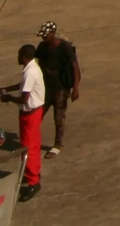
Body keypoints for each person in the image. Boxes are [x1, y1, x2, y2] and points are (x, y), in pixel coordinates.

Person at [0, 45, 45, 202]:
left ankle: (33, 182)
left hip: (29, 115)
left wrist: (7, 98)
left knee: (27, 148)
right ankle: (33, 173)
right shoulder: (33, 68)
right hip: (35, 113)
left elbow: (24, 99)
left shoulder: (30, 72)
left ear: (23, 57)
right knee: (34, 145)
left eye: (18, 54)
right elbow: (23, 86)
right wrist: (7, 89)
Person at [34, 21, 81, 158]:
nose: (43, 37)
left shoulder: (64, 47)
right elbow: (36, 63)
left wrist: (75, 88)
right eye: (42, 35)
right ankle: (32, 141)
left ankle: (57, 144)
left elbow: (75, 67)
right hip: (45, 87)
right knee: (37, 115)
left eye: (46, 35)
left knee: (59, 117)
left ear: (53, 33)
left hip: (61, 88)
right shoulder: (42, 47)